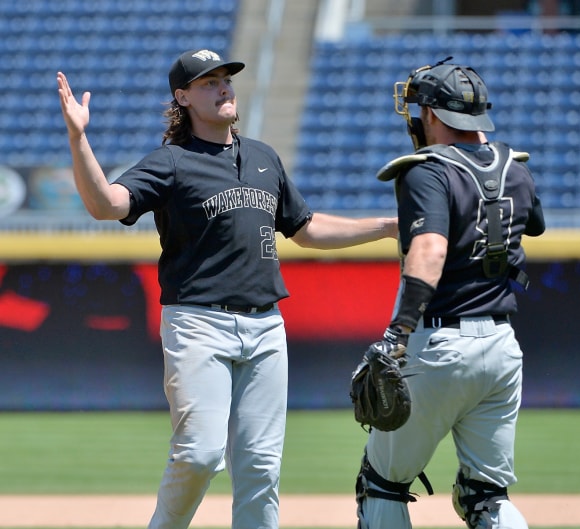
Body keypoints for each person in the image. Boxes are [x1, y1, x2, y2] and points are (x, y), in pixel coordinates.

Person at [57, 48, 397, 529]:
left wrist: (384, 226)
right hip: (198, 324)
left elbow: (305, 228)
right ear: (183, 97)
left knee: (260, 467)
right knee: (199, 455)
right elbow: (106, 205)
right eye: (208, 82)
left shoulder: (263, 156)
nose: (223, 88)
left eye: (225, 79)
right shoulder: (172, 162)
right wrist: (78, 138)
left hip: (265, 327)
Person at [353, 59, 546, 529]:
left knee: (382, 483)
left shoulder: (427, 170)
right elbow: (535, 225)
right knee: (486, 495)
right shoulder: (515, 167)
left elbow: (430, 249)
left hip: (440, 344)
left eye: (420, 109)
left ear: (434, 116)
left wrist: (396, 333)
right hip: (501, 349)